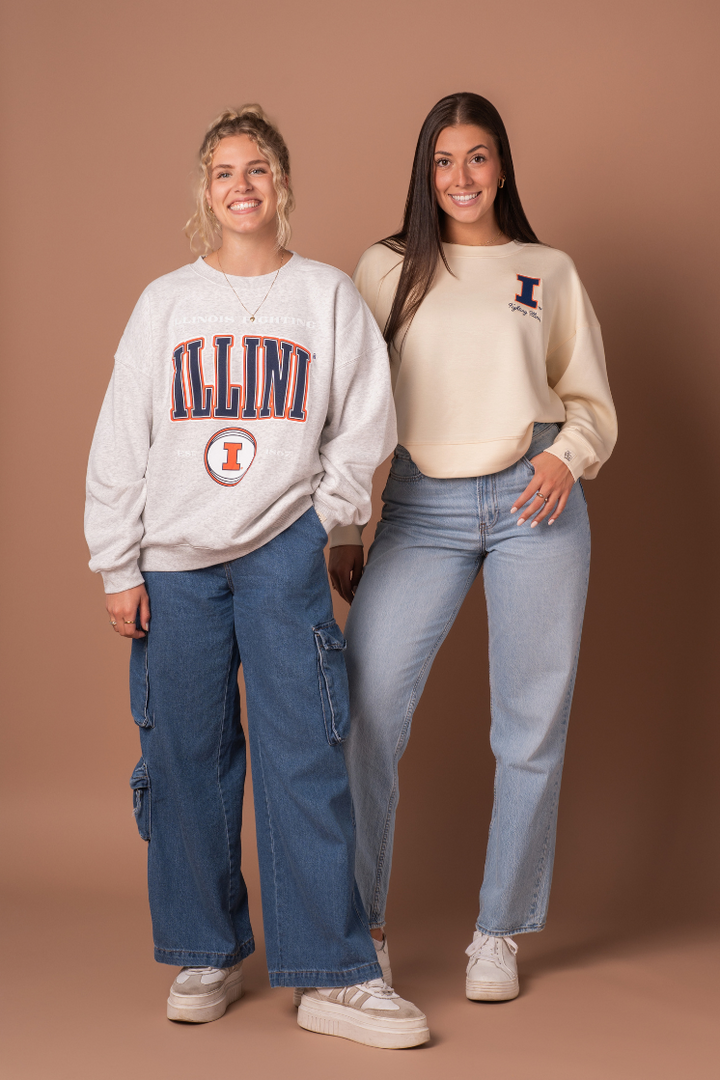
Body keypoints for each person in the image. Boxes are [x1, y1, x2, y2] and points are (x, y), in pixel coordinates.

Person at [84, 105, 429, 1049]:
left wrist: (321, 520)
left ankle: (334, 973)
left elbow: (368, 420)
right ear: (206, 192)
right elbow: (122, 438)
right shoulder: (165, 305)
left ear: (283, 187)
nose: (242, 186)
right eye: (224, 172)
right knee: (186, 762)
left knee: (305, 759)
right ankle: (207, 947)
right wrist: (118, 561)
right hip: (175, 565)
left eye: (259, 170)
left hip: (281, 552)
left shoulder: (323, 298)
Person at [329, 92, 617, 1002]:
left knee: (530, 723)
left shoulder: (548, 269)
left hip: (537, 495)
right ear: (426, 169)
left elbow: (590, 398)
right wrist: (348, 523)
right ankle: (361, 927)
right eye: (445, 160)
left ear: (503, 167)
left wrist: (568, 459)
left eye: (479, 157)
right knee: (369, 709)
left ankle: (498, 932)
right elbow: (349, 411)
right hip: (420, 505)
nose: (461, 177)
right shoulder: (384, 269)